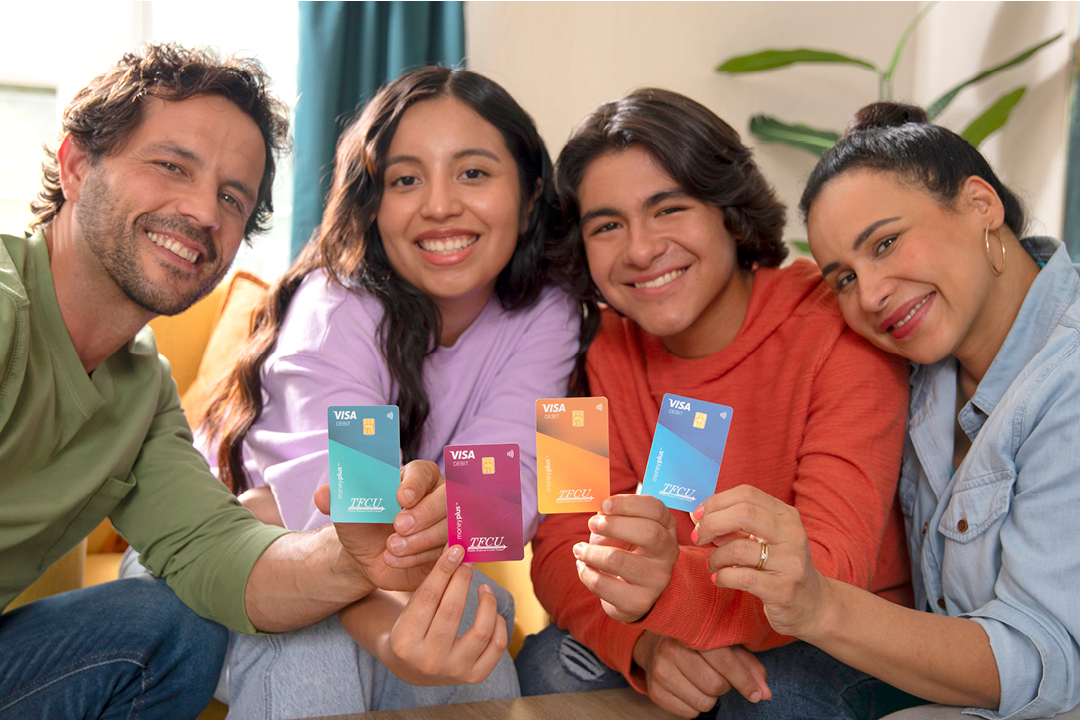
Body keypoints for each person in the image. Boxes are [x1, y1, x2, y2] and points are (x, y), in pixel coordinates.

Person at [0, 43, 457, 720]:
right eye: (171, 166)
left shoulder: (140, 392)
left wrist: (355, 559)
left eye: (232, 197)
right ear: (75, 165)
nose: (205, 212)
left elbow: (221, 557)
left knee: (172, 621)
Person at [517, 88, 921, 719]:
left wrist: (670, 605)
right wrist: (647, 641)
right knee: (548, 667)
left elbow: (830, 567)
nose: (641, 249)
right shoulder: (589, 343)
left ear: (729, 212)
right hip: (667, 617)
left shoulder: (836, 321)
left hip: (829, 628)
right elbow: (560, 541)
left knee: (773, 697)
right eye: (607, 225)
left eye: (669, 209)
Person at [192, 66, 583, 717]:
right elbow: (332, 516)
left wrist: (429, 537)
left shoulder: (547, 312)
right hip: (226, 560)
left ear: (531, 190)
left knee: (471, 626)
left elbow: (506, 492)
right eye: (405, 179)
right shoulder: (337, 302)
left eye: (473, 173)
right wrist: (390, 628)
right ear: (374, 202)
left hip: (374, 561)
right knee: (312, 651)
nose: (438, 205)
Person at [692, 101, 1080, 720]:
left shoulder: (1067, 377)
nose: (870, 295)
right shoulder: (920, 363)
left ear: (981, 204)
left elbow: (1047, 664)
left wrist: (822, 605)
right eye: (843, 277)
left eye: (887, 242)